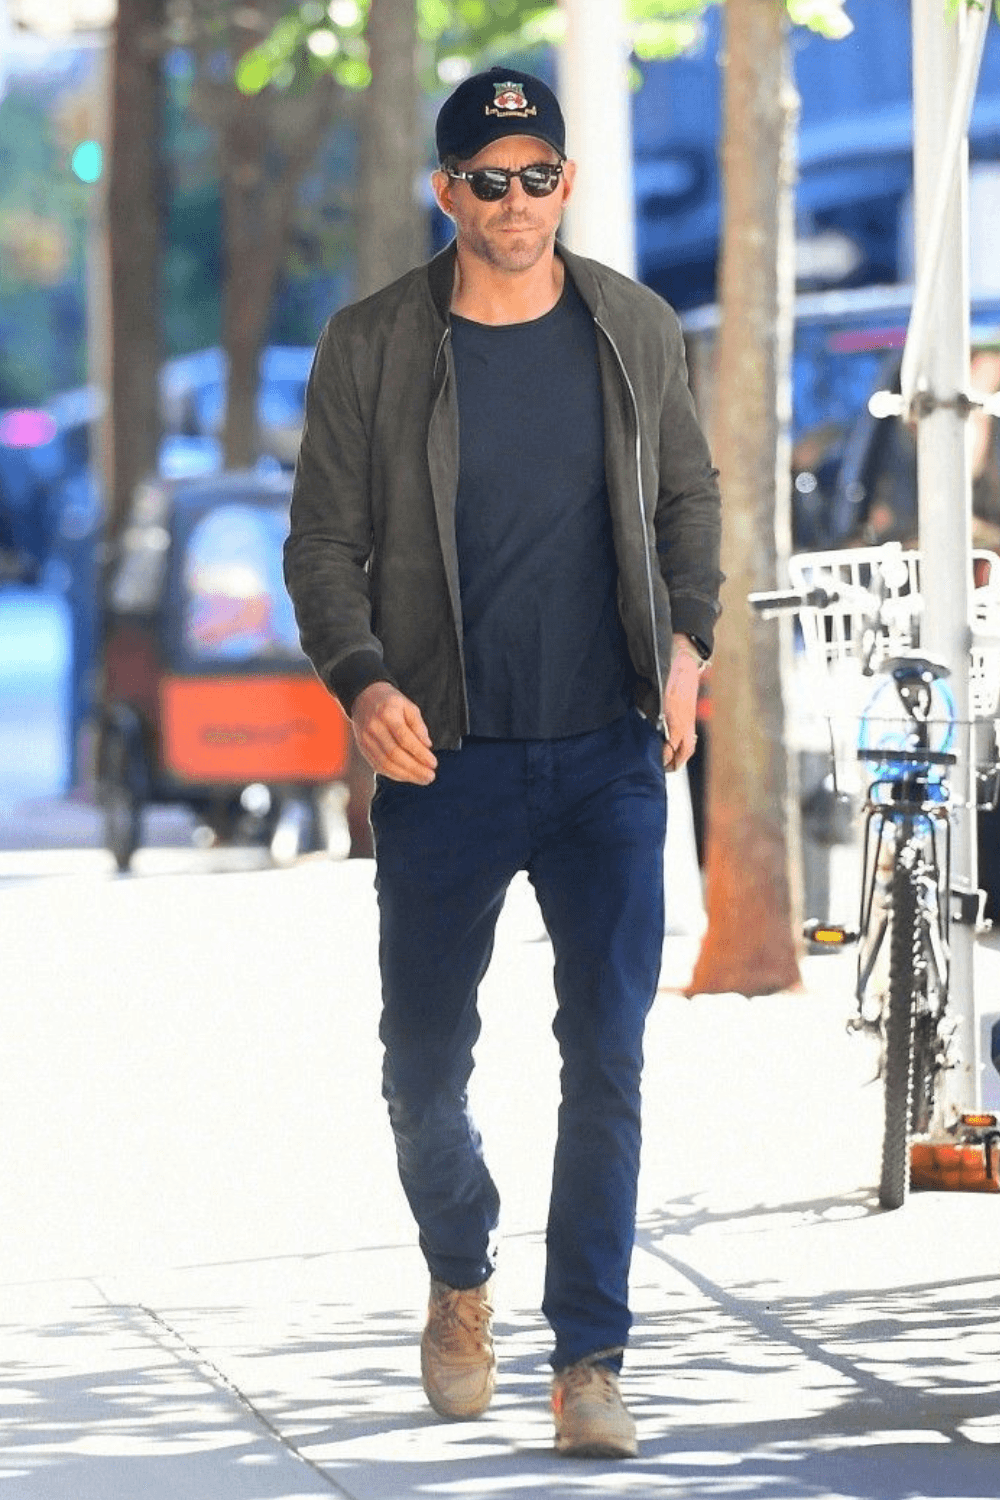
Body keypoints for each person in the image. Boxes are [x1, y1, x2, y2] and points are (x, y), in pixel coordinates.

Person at [284, 64, 722, 1459]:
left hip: (607, 751)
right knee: (422, 1066)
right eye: (489, 178)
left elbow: (690, 500)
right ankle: (459, 1272)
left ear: (569, 185)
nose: (516, 201)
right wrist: (360, 682)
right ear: (447, 190)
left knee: (607, 1055)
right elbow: (320, 547)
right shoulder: (373, 345)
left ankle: (589, 1356)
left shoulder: (634, 328)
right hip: (445, 760)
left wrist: (692, 645)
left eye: (540, 176)